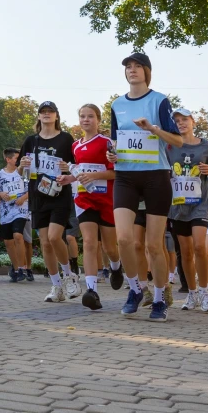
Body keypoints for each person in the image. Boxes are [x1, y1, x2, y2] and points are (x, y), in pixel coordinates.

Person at [106, 52, 182, 321]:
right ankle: (136, 289)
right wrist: (111, 154)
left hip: (155, 176)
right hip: (126, 176)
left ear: (147, 71)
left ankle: (160, 298)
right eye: (128, 66)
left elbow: (178, 140)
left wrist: (153, 129)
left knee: (153, 245)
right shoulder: (116, 104)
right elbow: (115, 141)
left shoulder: (159, 100)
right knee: (124, 239)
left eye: (138, 66)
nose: (132, 70)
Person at [58, 103, 123, 310]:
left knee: (110, 247)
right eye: (82, 116)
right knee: (89, 242)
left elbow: (115, 173)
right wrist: (68, 178)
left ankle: (115, 266)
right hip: (84, 199)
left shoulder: (106, 143)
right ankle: (91, 290)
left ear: (98, 120)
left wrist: (93, 175)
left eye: (90, 116)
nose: (86, 120)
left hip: (106, 199)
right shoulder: (75, 146)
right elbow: (79, 173)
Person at [18, 101, 80, 303]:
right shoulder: (31, 141)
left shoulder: (65, 139)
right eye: (43, 112)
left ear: (56, 116)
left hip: (58, 193)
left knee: (55, 237)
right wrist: (23, 165)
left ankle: (70, 276)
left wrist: (66, 167)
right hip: (37, 195)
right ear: (38, 116)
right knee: (45, 242)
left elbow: (75, 167)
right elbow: (22, 171)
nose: (46, 115)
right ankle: (56, 285)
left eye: (50, 111)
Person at [166, 108, 208, 313]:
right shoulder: (169, 145)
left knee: (200, 248)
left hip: (200, 204)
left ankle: (206, 292)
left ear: (193, 121)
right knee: (185, 252)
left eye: (185, 119)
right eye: (177, 121)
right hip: (178, 205)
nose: (181, 123)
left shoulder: (206, 145)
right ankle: (192, 291)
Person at [0, 149, 30, 283]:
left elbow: (32, 189)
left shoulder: (23, 172)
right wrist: (0, 194)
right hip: (5, 211)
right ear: (8, 159)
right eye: (16, 158)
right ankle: (15, 269)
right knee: (8, 241)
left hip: (21, 209)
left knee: (18, 236)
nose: (18, 160)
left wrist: (24, 198)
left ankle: (22, 268)